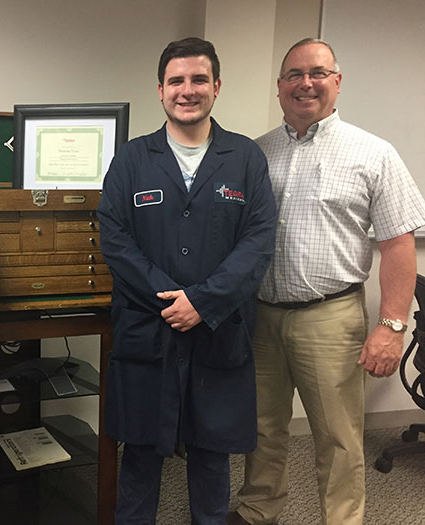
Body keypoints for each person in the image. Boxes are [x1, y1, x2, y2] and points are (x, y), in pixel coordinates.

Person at [229, 38, 425, 525]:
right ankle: (258, 509)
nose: (306, 83)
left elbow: (398, 245)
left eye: (317, 73)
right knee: (262, 427)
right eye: (294, 74)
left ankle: (342, 520)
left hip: (331, 317)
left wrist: (392, 326)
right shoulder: (255, 154)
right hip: (261, 315)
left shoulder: (373, 154)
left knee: (338, 437)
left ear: (337, 82)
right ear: (279, 88)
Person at [97, 37, 277, 524]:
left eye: (199, 79)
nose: (187, 90)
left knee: (211, 455)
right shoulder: (132, 159)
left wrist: (202, 301)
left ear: (216, 87)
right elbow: (114, 238)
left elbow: (257, 242)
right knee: (139, 455)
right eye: (176, 80)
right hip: (147, 330)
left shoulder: (244, 158)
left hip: (217, 329)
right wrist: (169, 298)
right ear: (160, 90)